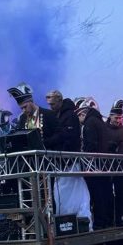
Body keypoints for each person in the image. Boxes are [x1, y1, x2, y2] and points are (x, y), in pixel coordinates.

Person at [46, 89, 88, 222]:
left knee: (71, 193)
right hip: (63, 162)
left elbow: (68, 137)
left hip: (69, 161)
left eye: (52, 104)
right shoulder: (59, 115)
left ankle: (75, 219)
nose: (51, 107)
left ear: (60, 101)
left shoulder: (69, 116)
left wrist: (51, 142)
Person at [74, 96, 114, 229]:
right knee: (106, 192)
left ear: (82, 113)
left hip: (94, 165)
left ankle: (100, 222)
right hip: (105, 164)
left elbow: (90, 144)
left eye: (78, 116)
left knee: (97, 195)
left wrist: (84, 155)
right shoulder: (99, 121)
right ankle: (109, 220)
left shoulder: (89, 123)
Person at [7, 82, 60, 148]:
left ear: (31, 101)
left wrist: (42, 144)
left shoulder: (48, 114)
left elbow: (59, 136)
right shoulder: (22, 118)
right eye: (21, 108)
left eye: (25, 107)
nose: (23, 110)